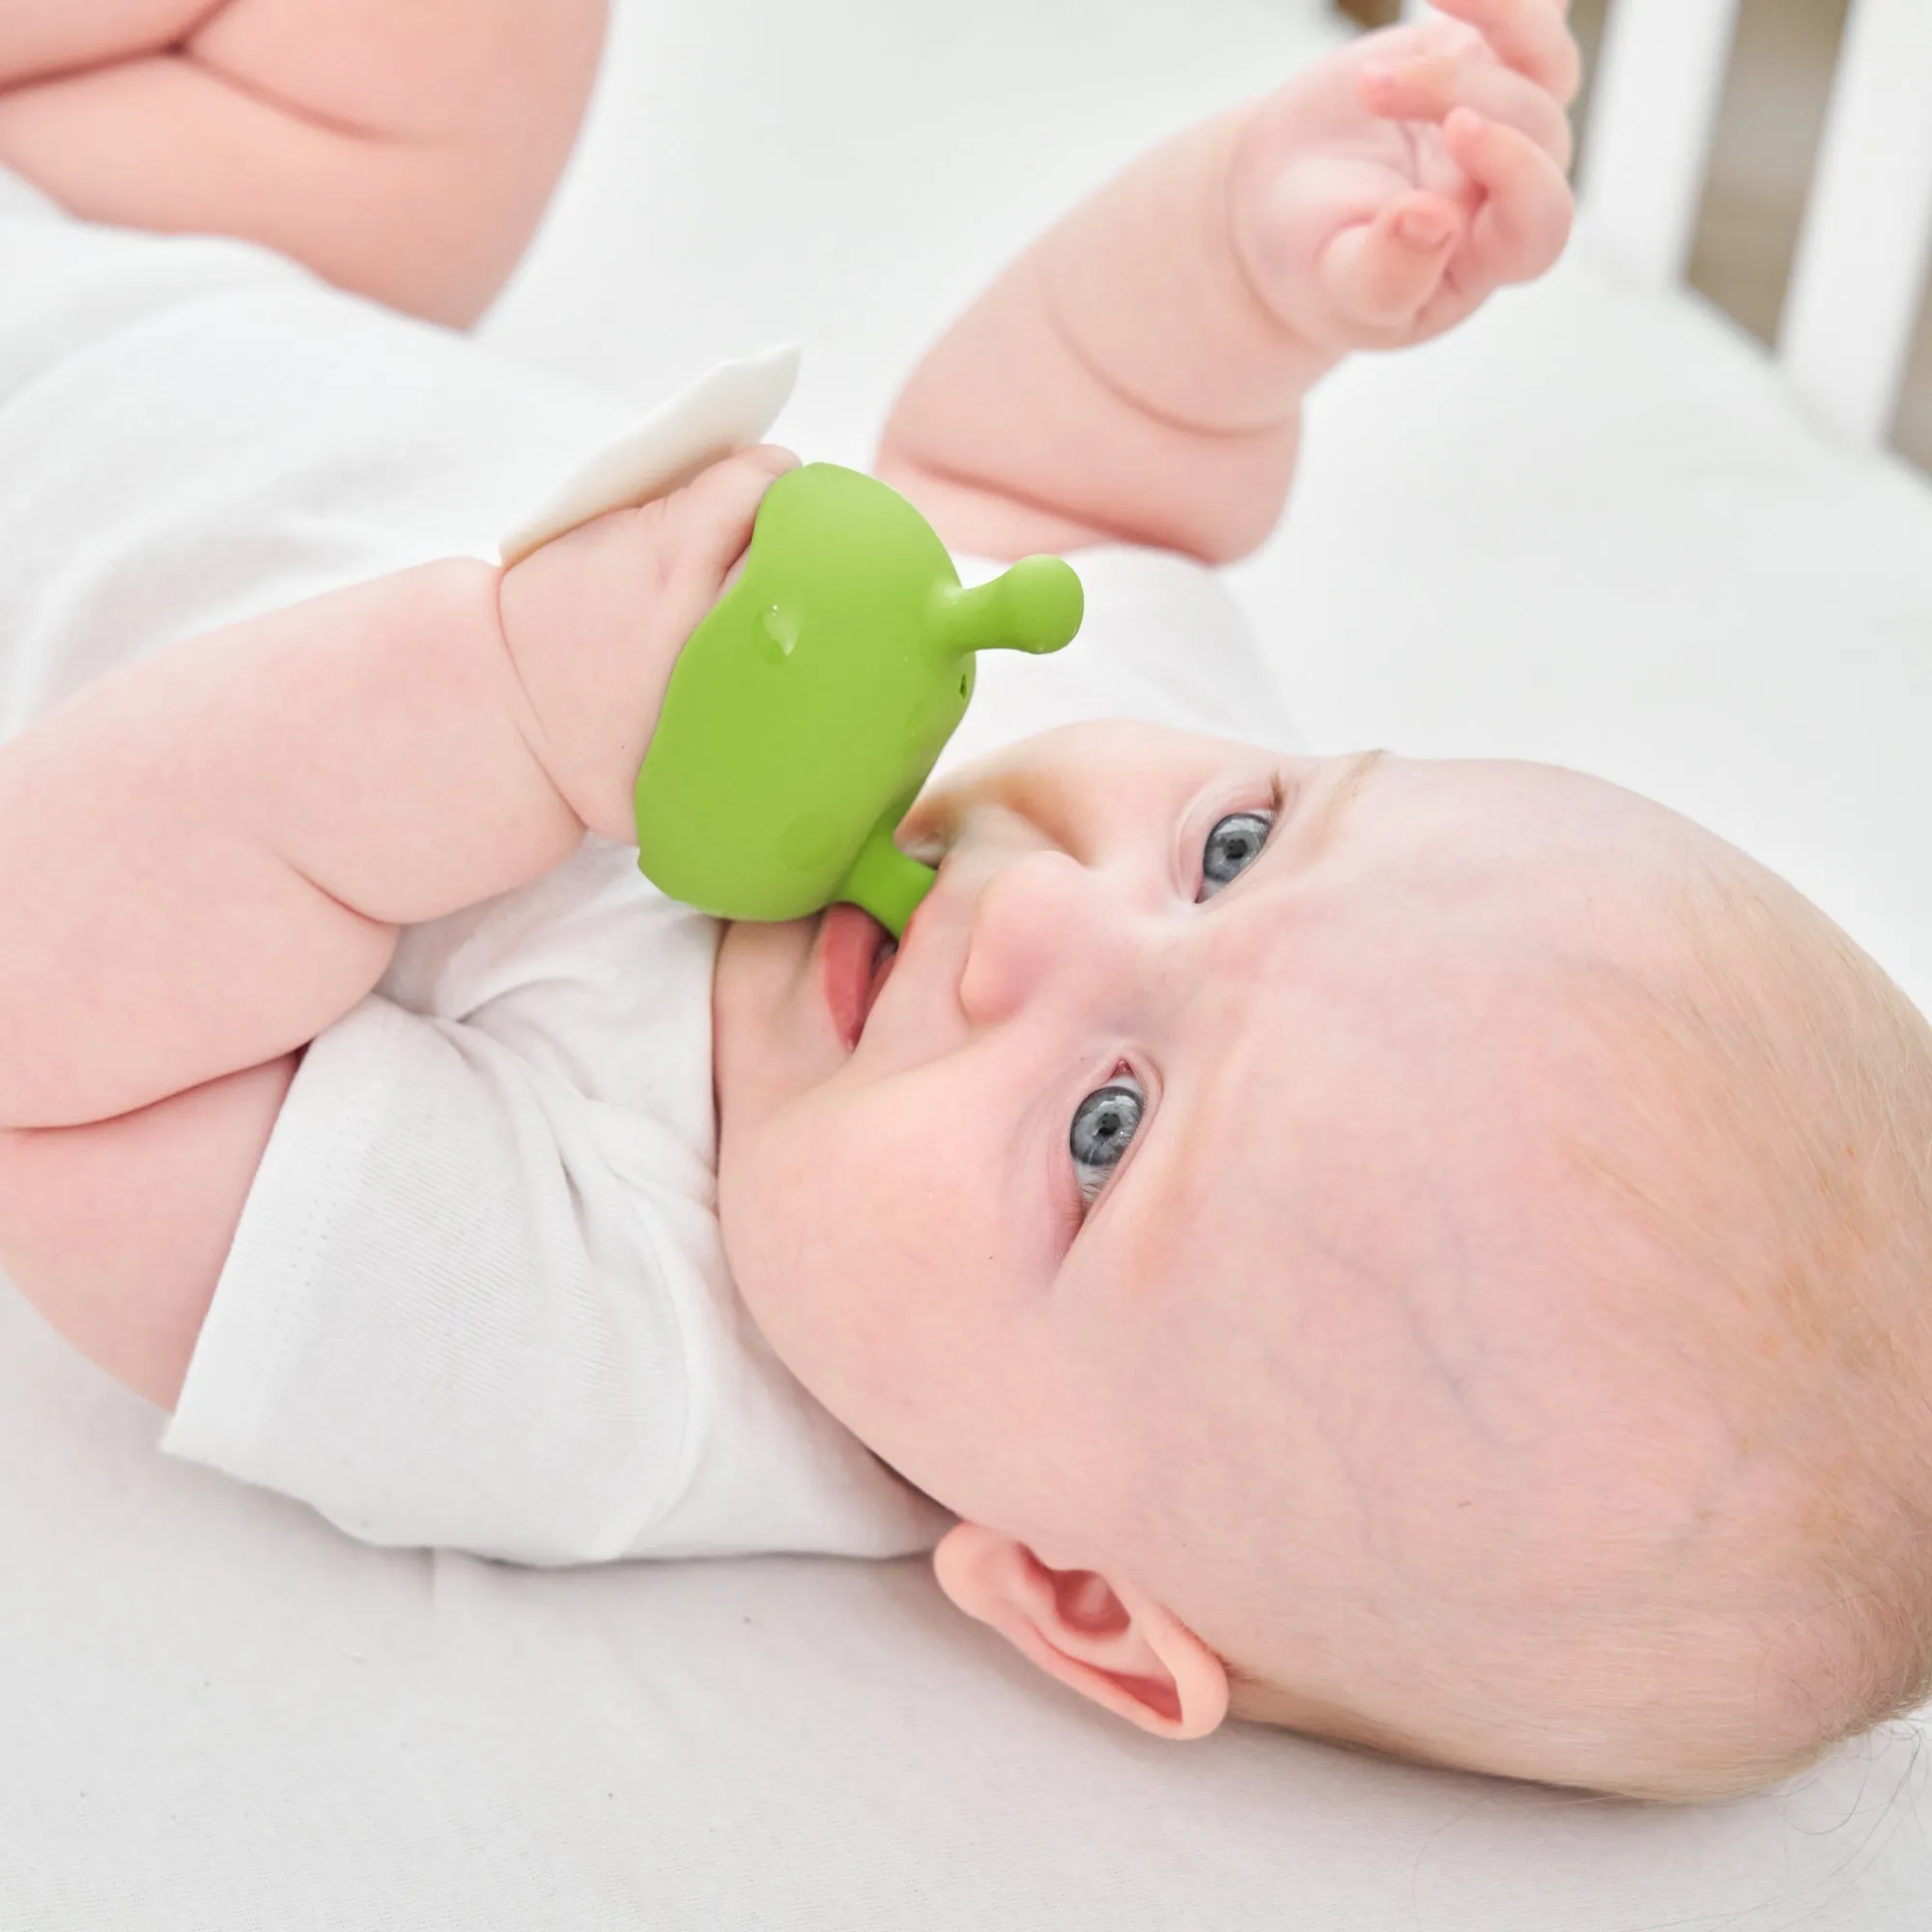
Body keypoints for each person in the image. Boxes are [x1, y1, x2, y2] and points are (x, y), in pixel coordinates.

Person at [4, 0, 1930, 1804]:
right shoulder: (1111, 802)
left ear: (1076, 1594)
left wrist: (495, 702)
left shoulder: (611, 1347)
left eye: (1106, 1131)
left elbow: (58, 1074)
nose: (1033, 920)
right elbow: (1044, 456)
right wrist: (1248, 263)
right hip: (196, 264)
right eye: (1238, 848)